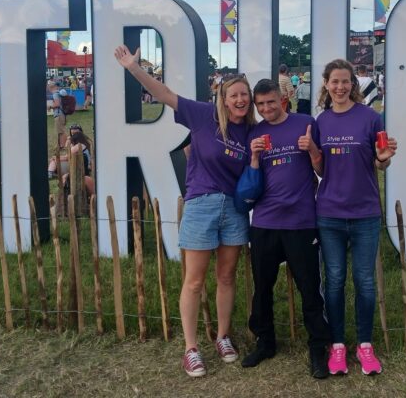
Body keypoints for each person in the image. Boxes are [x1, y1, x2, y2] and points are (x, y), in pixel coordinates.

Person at [114, 45, 255, 378]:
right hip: (201, 205)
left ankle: (222, 337)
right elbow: (163, 93)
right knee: (194, 281)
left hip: (234, 208)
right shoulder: (202, 114)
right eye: (234, 95)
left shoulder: (251, 131)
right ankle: (191, 348)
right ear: (222, 98)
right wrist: (134, 68)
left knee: (226, 276)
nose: (240, 100)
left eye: (244, 96)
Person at [241, 79, 331, 378]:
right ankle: (265, 342)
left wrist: (312, 149)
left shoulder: (306, 124)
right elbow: (251, 182)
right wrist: (253, 157)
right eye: (261, 104)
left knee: (309, 289)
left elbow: (322, 171)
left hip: (301, 222)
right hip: (264, 222)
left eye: (271, 102)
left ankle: (318, 348)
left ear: (285, 98)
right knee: (263, 288)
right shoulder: (255, 132)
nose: (266, 108)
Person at [314, 59, 397, 376]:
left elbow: (381, 162)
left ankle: (365, 345)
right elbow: (321, 170)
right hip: (330, 214)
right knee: (333, 282)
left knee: (364, 282)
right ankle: (337, 347)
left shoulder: (371, 118)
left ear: (353, 85)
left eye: (345, 82)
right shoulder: (321, 121)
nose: (340, 87)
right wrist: (312, 155)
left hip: (365, 214)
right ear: (326, 84)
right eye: (334, 81)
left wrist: (385, 159)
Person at [48, 81, 68, 148]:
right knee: (60, 130)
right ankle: (61, 145)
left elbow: (57, 104)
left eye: (49, 87)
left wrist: (50, 107)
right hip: (62, 114)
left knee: (61, 131)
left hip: (59, 114)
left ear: (51, 87)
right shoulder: (59, 93)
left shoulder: (55, 94)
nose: (48, 89)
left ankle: (64, 145)